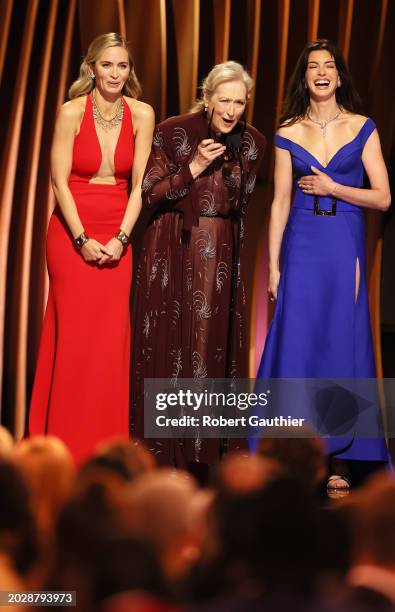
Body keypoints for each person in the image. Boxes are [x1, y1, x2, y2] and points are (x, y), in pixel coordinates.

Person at [256, 39, 391, 486]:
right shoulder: (287, 131)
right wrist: (273, 267)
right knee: (299, 345)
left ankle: (340, 460)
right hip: (303, 241)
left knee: (339, 344)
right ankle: (291, 458)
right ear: (304, 76)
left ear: (338, 75)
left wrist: (335, 189)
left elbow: (384, 197)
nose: (321, 72)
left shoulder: (362, 126)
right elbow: (278, 202)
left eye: (328, 66)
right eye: (312, 66)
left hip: (343, 241)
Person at [131, 61, 266, 468]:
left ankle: (202, 453)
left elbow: (242, 203)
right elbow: (149, 192)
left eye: (239, 103)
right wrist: (192, 167)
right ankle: (163, 454)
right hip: (172, 247)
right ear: (206, 98)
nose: (231, 110)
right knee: (170, 346)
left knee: (209, 347)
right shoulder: (174, 130)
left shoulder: (253, 142)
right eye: (223, 100)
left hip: (220, 251)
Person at [28, 33, 154, 463]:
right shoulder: (69, 112)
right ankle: (63, 447)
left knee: (109, 343)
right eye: (107, 65)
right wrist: (82, 240)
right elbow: (58, 181)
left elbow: (141, 185)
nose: (115, 73)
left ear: (129, 71)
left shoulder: (142, 113)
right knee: (75, 340)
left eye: (122, 66)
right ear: (92, 68)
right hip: (70, 234)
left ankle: (105, 448)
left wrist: (121, 238)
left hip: (119, 231)